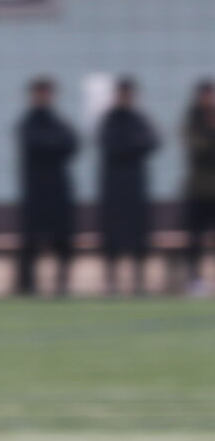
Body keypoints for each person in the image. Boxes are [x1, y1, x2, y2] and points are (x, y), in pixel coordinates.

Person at [13, 78, 79, 298]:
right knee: (31, 240)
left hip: (59, 191)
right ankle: (28, 286)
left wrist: (51, 145)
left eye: (47, 93)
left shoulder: (59, 122)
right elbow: (37, 145)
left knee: (63, 239)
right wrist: (54, 145)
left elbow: (72, 144)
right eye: (39, 93)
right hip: (35, 192)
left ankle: (62, 284)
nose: (43, 97)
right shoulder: (27, 124)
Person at [96, 77, 160, 298]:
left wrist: (130, 145)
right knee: (112, 237)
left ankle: (139, 282)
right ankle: (111, 282)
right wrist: (134, 145)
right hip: (114, 188)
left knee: (138, 236)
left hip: (135, 188)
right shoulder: (109, 120)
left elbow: (153, 142)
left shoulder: (139, 119)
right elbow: (112, 145)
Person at [177, 79, 215, 295]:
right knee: (195, 238)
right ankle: (194, 279)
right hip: (198, 190)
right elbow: (196, 148)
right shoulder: (192, 119)